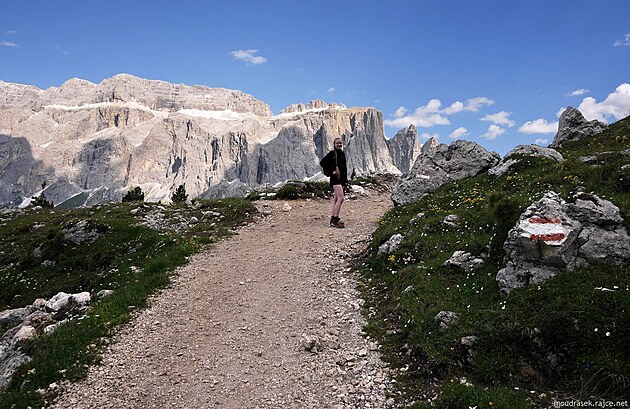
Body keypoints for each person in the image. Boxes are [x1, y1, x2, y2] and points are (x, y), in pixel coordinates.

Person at [320, 137, 348, 228]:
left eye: (340, 143)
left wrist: (345, 181)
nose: (339, 145)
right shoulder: (332, 153)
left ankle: (333, 218)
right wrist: (331, 172)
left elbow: (344, 169)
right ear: (334, 145)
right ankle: (335, 220)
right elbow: (322, 163)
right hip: (335, 179)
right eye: (337, 143)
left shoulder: (342, 154)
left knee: (336, 199)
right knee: (341, 198)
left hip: (341, 180)